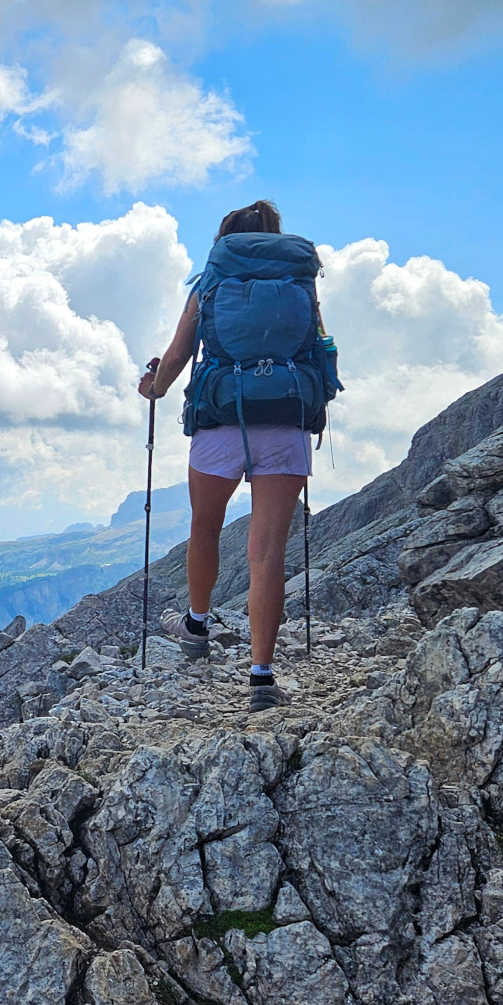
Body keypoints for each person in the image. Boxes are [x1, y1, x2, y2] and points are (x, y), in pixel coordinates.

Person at [137, 199, 336, 712]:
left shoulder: (213, 280)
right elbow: (318, 348)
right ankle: (262, 677)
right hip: (287, 419)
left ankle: (197, 627)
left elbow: (180, 354)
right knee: (267, 552)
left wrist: (154, 388)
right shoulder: (299, 281)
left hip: (222, 418)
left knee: (205, 525)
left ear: (227, 238)